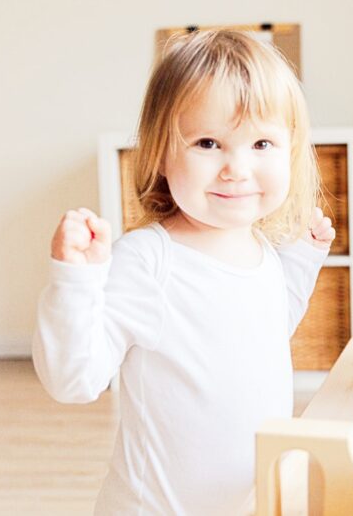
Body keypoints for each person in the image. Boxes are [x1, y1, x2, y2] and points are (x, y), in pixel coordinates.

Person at [32, 29, 335, 515]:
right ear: (161, 154)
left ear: (291, 152)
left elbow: (269, 332)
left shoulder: (261, 251)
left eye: (261, 142)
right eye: (209, 142)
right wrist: (76, 284)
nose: (236, 167)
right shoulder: (149, 262)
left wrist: (301, 260)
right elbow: (74, 380)